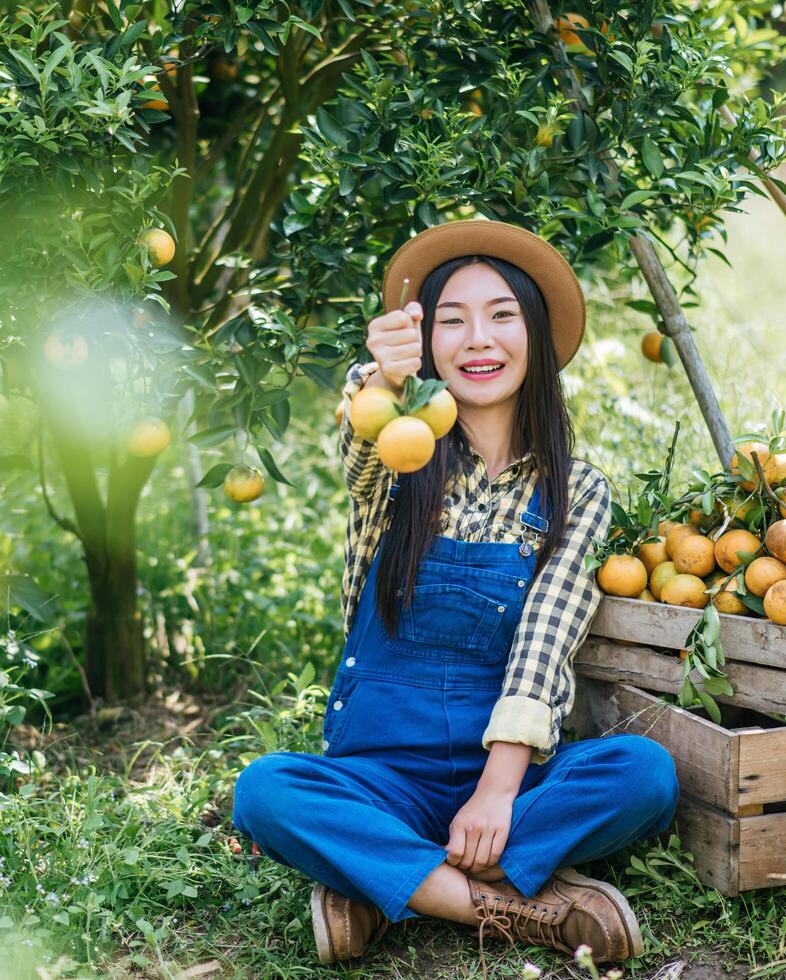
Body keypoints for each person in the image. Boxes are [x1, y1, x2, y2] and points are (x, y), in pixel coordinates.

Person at [230, 218, 680, 969]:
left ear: (533, 336)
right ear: (425, 341)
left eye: (502, 316)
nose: (478, 340)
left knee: (645, 775)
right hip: (381, 777)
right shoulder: (398, 454)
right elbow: (361, 437)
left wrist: (498, 793)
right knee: (265, 791)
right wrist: (383, 380)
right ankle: (506, 907)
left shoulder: (576, 492)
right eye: (452, 320)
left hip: (511, 775)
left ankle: (382, 885)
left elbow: (545, 642)